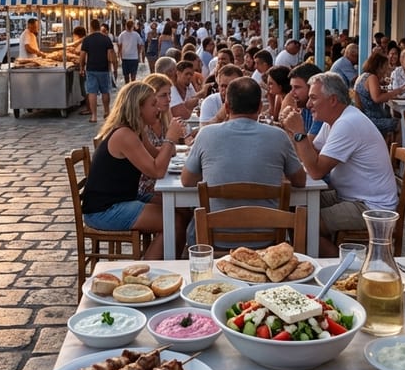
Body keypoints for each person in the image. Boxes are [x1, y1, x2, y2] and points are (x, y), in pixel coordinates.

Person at [280, 72, 398, 257]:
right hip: (348, 196)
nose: (309, 104)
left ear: (333, 100)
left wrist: (298, 132)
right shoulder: (334, 121)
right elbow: (310, 153)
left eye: (313, 98)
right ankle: (325, 260)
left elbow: (316, 170)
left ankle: (343, 269)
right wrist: (291, 131)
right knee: (291, 207)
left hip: (371, 207)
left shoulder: (347, 123)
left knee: (301, 223)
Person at [182, 78, 307, 245]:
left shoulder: (206, 134)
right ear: (260, 108)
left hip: (213, 237)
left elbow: (187, 180)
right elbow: (300, 181)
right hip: (269, 238)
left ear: (226, 107)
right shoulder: (278, 136)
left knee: (190, 226)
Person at [83, 82, 185, 260]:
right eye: (153, 104)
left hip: (126, 197)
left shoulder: (137, 131)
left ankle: (171, 262)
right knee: (173, 221)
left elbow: (156, 155)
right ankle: (151, 274)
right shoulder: (124, 135)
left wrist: (172, 144)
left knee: (183, 209)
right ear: (138, 108)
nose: (158, 109)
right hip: (105, 209)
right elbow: (157, 171)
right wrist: (170, 139)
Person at [137, 73, 174, 202]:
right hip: (144, 187)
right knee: (182, 208)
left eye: (170, 94)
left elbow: (169, 150)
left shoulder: (164, 118)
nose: (168, 99)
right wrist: (169, 141)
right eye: (163, 95)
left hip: (161, 181)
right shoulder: (141, 125)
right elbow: (154, 158)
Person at [353, 50, 405, 140]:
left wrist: (382, 89)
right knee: (401, 124)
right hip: (372, 119)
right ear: (379, 67)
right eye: (385, 66)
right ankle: (396, 151)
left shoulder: (363, 76)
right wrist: (395, 92)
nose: (386, 69)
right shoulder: (372, 78)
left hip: (365, 117)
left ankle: (389, 146)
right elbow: (377, 98)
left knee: (391, 116)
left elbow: (369, 93)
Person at [79, 19, 114, 124]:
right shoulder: (106, 39)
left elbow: (82, 55)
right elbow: (110, 54)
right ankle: (107, 111)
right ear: (99, 26)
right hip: (103, 68)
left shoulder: (87, 40)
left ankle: (94, 116)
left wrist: (81, 67)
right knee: (105, 91)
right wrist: (111, 65)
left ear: (91, 27)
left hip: (91, 68)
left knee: (92, 92)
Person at [280, 63, 326, 141]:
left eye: (297, 87)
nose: (292, 92)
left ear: (312, 88)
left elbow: (308, 145)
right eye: (291, 87)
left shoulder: (321, 109)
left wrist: (291, 127)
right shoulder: (305, 108)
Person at [116, 19, 144, 84]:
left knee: (126, 76)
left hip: (125, 57)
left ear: (126, 26)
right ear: (133, 26)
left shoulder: (122, 34)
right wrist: (138, 53)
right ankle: (132, 89)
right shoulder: (136, 34)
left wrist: (119, 55)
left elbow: (119, 45)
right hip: (134, 57)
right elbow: (140, 45)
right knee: (133, 76)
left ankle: (127, 89)